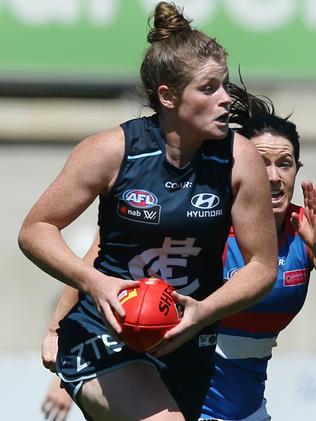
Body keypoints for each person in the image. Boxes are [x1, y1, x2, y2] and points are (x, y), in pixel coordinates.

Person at [18, 2, 278, 420]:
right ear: (167, 96)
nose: (227, 99)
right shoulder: (111, 151)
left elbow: (262, 266)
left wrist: (202, 312)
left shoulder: (239, 159)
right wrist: (96, 284)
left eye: (225, 85)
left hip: (185, 337)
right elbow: (36, 229)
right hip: (102, 331)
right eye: (209, 88)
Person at [199, 88, 316, 421]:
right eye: (261, 163)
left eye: (284, 164)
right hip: (185, 406)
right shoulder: (209, 226)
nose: (273, 177)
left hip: (249, 410)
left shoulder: (306, 230)